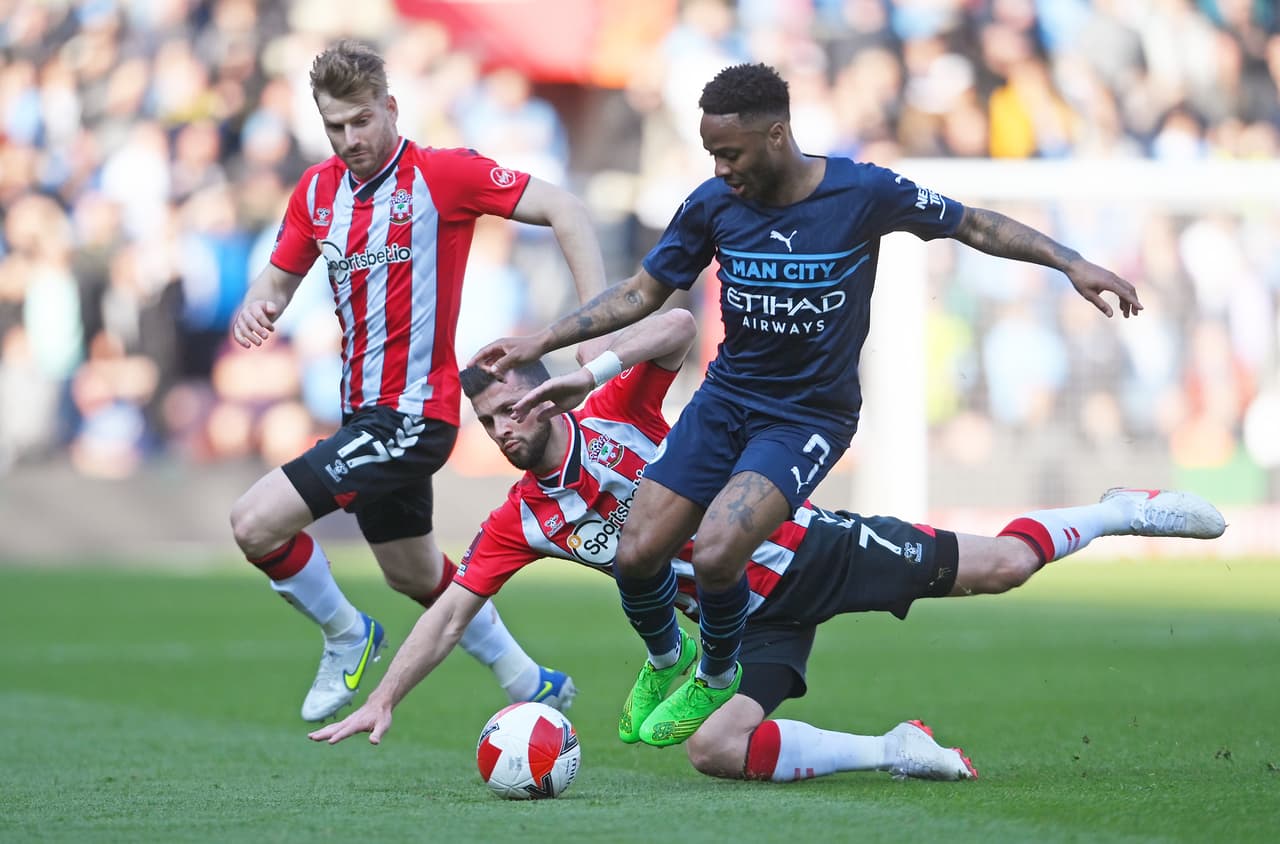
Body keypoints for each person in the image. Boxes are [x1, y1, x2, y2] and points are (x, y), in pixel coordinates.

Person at [469, 62, 1147, 747]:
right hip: (726, 399)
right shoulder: (713, 204)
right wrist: (544, 340)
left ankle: (715, 675)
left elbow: (971, 224)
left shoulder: (862, 192)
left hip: (805, 418)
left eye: (729, 153)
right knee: (637, 552)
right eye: (711, 154)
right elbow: (644, 292)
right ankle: (667, 659)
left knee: (718, 552)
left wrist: (1070, 262)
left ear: (776, 135)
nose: (720, 168)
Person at [309, 309, 1225, 784]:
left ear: (541, 395)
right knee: (715, 750)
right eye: (490, 422)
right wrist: (386, 698)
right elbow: (451, 612)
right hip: (740, 621)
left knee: (1006, 568)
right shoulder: (521, 519)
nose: (506, 428)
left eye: (513, 407)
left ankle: (1113, 511)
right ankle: (894, 749)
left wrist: (588, 369)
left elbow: (678, 328)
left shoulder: (616, 408)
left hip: (808, 550)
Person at [227, 40, 608, 721]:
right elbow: (276, 283)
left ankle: (347, 634)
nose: (351, 139)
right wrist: (258, 304)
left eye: (362, 121)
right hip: (362, 416)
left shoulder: (442, 176)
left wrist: (592, 328)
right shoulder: (316, 191)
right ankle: (529, 680)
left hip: (413, 415)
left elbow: (568, 209)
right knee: (413, 572)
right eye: (336, 126)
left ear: (392, 109)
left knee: (254, 523)